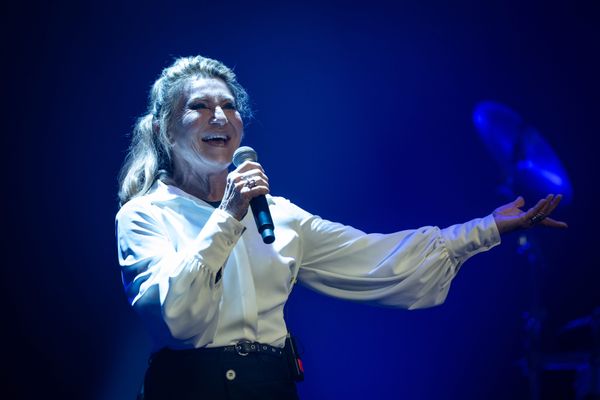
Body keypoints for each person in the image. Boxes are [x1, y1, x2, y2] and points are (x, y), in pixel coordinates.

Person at [115, 55, 567, 400]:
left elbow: (377, 257)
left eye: (229, 106)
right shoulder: (145, 216)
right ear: (164, 130)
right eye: (200, 106)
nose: (220, 116)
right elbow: (176, 318)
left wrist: (486, 228)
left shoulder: (278, 214)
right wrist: (228, 215)